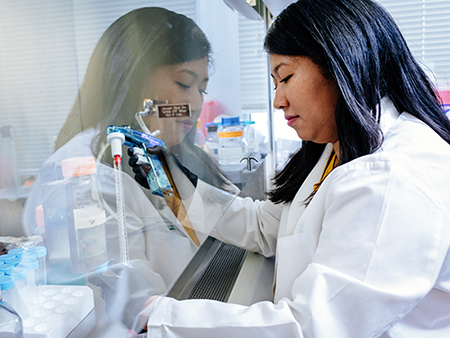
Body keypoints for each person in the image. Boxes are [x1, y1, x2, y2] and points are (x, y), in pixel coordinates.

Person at [90, 0, 450, 336]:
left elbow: (310, 327)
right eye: (275, 82)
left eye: (286, 77)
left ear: (340, 60)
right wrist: (168, 189)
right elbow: (267, 226)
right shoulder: (340, 145)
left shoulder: (391, 177)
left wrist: (154, 313)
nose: (278, 101)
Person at [23, 7, 236, 298]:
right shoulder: (85, 172)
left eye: (202, 90)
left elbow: (233, 222)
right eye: (184, 84)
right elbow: (128, 304)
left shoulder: (169, 155)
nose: (195, 104)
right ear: (134, 78)